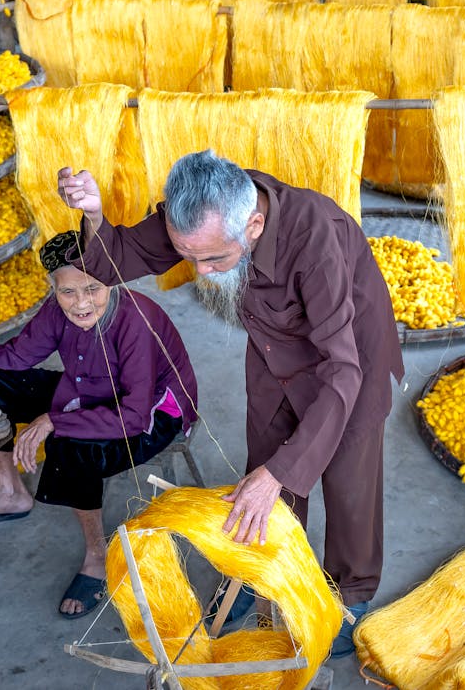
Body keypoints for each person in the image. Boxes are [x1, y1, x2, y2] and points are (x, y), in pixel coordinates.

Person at [57, 150, 402, 657]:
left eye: (214, 258)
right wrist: (92, 215)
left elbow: (341, 370)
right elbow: (119, 259)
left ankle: (349, 597)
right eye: (188, 255)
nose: (200, 270)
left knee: (348, 481)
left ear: (255, 225)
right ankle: (256, 575)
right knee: (261, 461)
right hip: (271, 347)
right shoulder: (199, 213)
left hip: (347, 356)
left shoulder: (315, 237)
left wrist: (283, 471)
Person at [0, 231, 198, 619]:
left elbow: (134, 416)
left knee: (74, 446)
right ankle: (11, 494)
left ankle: (96, 557)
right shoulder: (57, 311)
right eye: (68, 292)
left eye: (92, 288)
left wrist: (53, 420)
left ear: (112, 280)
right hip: (87, 394)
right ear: (52, 288)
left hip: (152, 415)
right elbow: (15, 356)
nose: (82, 303)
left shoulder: (134, 320)